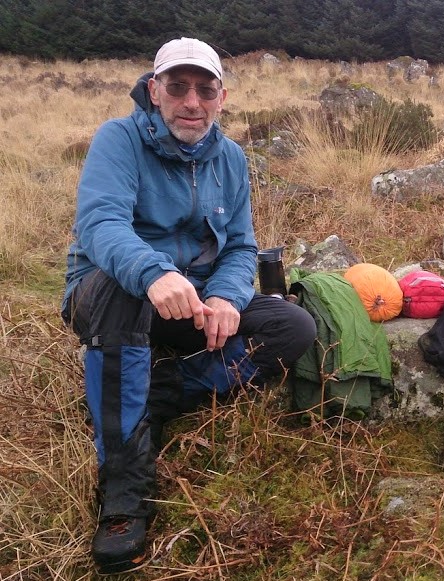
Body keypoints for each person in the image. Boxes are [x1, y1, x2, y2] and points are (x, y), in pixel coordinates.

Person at [61, 37, 317, 574]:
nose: (191, 102)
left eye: (205, 89)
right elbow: (100, 224)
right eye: (177, 87)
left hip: (192, 301)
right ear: (154, 91)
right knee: (119, 287)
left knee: (292, 327)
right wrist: (155, 273)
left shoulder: (231, 157)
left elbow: (243, 244)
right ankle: (124, 492)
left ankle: (158, 393)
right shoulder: (119, 139)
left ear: (222, 97)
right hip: (112, 294)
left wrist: (225, 293)